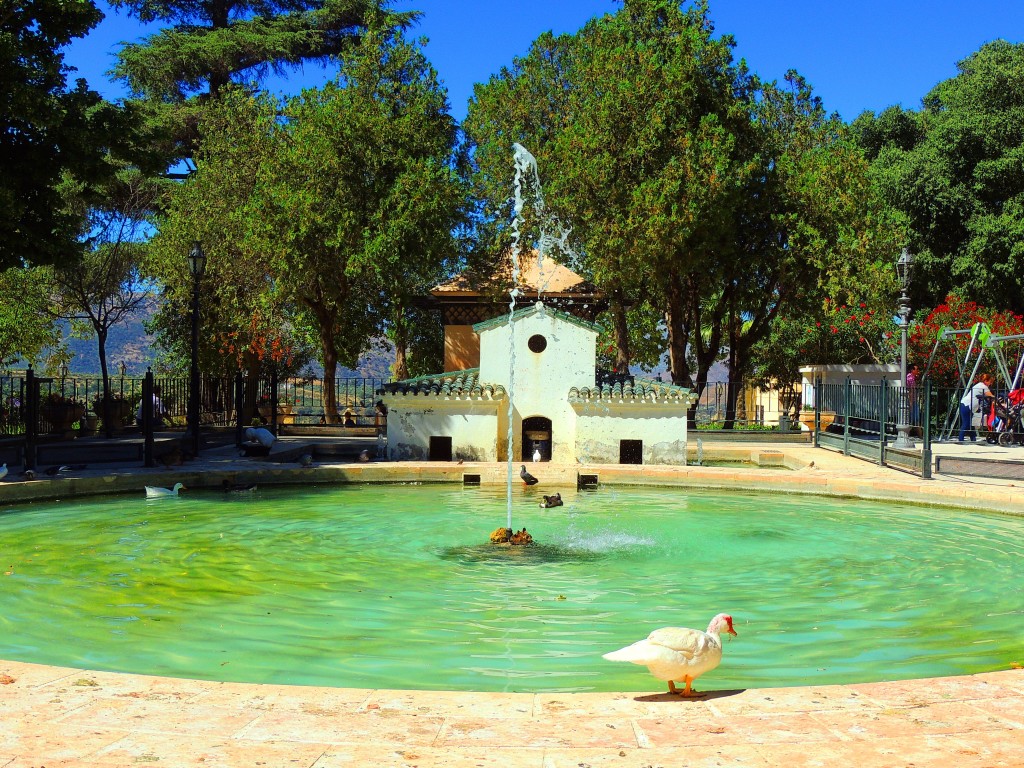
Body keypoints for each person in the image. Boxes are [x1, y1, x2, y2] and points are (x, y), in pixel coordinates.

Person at [959, 373, 994, 442]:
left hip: (966, 405)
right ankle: (960, 439)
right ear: (986, 381)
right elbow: (991, 396)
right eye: (990, 381)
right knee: (966, 423)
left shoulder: (978, 385)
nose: (990, 384)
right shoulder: (983, 387)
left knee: (969, 424)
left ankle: (973, 438)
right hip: (967, 405)